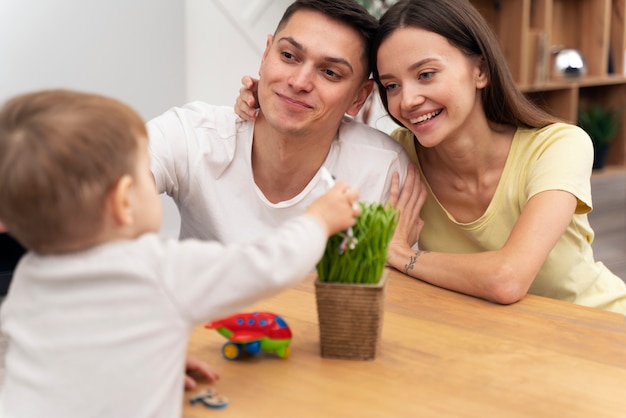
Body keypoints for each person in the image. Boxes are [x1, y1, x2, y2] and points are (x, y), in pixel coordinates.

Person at [236, 0, 626, 314]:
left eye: (425, 75)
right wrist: (270, 107)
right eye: (391, 85)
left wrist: (403, 256)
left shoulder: (558, 146)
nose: (407, 100)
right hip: (498, 347)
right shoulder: (398, 156)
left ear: (480, 70)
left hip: (598, 332)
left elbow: (507, 278)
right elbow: (325, 132)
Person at [0, 89, 361, 418]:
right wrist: (319, 220)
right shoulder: (158, 270)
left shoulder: (26, 279)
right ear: (123, 201)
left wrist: (149, 356)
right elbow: (267, 265)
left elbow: (69, 353)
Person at [147, 0, 414, 246]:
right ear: (265, 56)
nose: (299, 82)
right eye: (288, 56)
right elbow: (112, 180)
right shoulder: (194, 135)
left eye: (330, 72)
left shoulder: (383, 171)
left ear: (359, 98)